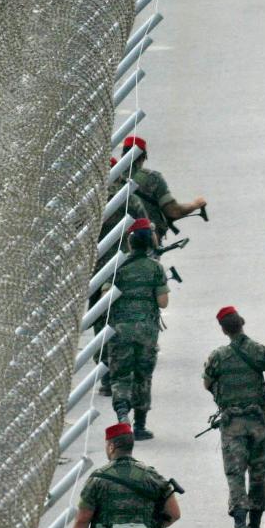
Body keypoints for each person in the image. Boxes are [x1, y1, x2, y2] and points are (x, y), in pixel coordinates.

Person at [202, 306, 265, 528]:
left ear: (223, 330)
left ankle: (239, 527)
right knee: (258, 474)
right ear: (242, 323)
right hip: (257, 425)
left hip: (232, 425)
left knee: (235, 475)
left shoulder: (217, 357)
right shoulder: (261, 351)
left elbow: (207, 383)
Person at [105, 218, 168, 439]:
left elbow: (106, 297)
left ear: (130, 242)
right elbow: (163, 302)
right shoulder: (155, 268)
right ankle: (140, 426)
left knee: (121, 375)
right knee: (143, 376)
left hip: (120, 329)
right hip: (147, 332)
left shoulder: (118, 267)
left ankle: (123, 416)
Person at [96, 156, 151, 397]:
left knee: (101, 321)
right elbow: (145, 227)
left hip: (96, 269)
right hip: (125, 264)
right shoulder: (129, 197)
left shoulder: (91, 198)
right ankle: (125, 373)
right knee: (123, 318)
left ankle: (107, 375)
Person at [122, 135, 207, 243]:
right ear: (143, 157)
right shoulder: (153, 178)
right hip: (145, 244)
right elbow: (174, 211)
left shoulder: (110, 177)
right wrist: (195, 204)